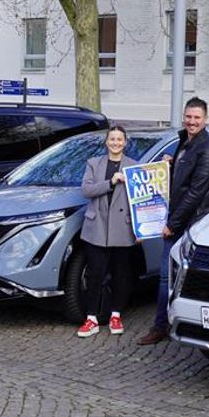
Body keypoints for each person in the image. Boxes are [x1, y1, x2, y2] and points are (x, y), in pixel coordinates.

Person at [138, 97, 209, 346]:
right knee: (166, 277)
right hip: (177, 220)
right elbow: (182, 182)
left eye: (196, 118)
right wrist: (170, 165)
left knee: (187, 278)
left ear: (205, 119)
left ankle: (192, 325)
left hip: (191, 224)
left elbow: (195, 193)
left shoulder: (207, 150)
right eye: (188, 117)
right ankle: (161, 325)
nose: (192, 121)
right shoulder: (186, 142)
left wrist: (172, 224)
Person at [75, 126, 138, 337]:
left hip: (123, 228)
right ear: (106, 142)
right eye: (112, 139)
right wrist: (111, 182)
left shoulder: (134, 167)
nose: (116, 143)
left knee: (121, 275)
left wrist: (140, 229)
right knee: (95, 274)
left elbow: (142, 199)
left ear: (125, 143)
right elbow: (86, 190)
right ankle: (91, 318)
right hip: (97, 228)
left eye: (120, 139)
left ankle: (116, 315)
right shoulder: (94, 164)